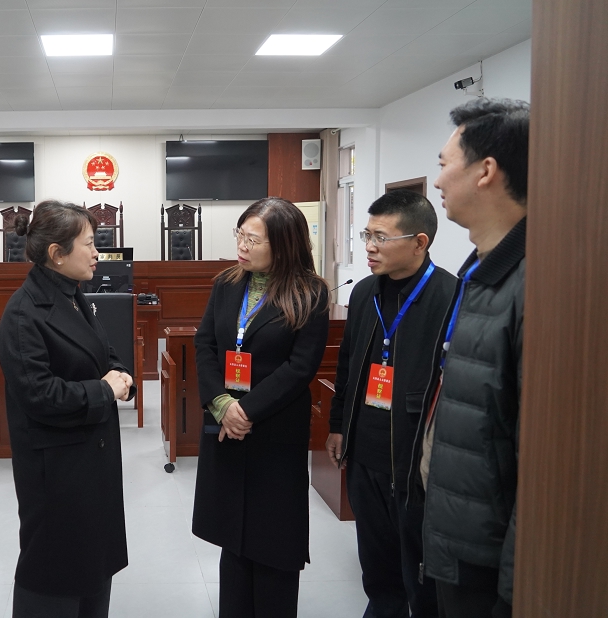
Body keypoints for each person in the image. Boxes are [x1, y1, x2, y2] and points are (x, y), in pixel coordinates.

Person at [412, 97, 529, 618]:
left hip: (490, 562)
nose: (437, 181)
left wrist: (515, 589)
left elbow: (541, 464)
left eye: (444, 164)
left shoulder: (532, 283)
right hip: (455, 534)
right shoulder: (477, 271)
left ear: (486, 171)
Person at [0, 200, 135, 618]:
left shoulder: (74, 294)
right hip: (57, 470)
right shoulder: (23, 314)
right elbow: (40, 395)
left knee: (93, 571)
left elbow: (104, 353)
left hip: (90, 460)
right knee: (54, 576)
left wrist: (121, 375)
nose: (97, 253)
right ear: (57, 253)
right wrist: (104, 391)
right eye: (89, 244)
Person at [192, 197, 329, 618]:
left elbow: (299, 367)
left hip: (273, 432)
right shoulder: (227, 283)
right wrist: (221, 403)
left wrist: (246, 411)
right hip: (226, 427)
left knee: (273, 541)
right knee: (232, 537)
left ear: (284, 244)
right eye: (240, 234)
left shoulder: (310, 293)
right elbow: (205, 344)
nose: (242, 245)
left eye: (253, 239)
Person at [326, 190, 457, 618]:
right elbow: (348, 363)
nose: (369, 246)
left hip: (415, 457)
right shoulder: (365, 292)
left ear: (419, 242)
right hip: (365, 451)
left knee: (418, 569)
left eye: (381, 237)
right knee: (377, 562)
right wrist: (338, 424)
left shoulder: (451, 296)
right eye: (367, 235)